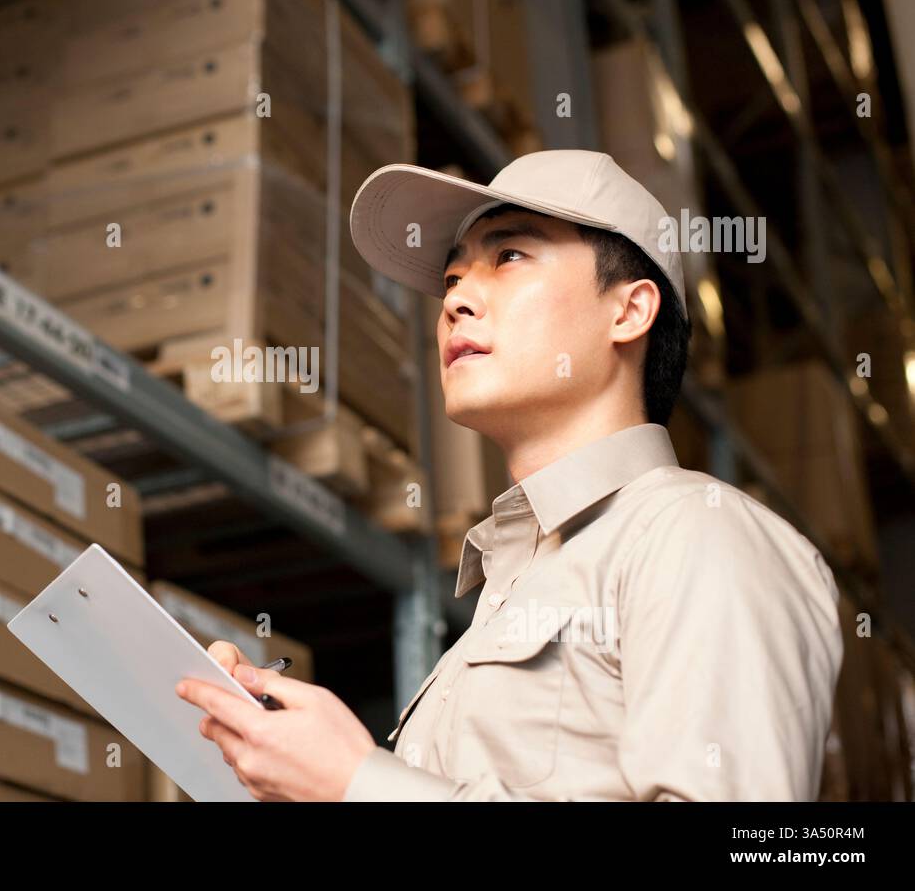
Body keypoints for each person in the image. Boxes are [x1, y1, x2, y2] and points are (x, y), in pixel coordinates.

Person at [175, 150, 844, 801]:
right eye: (453, 279)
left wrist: (359, 783)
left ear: (629, 310)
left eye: (509, 256)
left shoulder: (694, 536)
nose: (456, 301)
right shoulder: (511, 591)